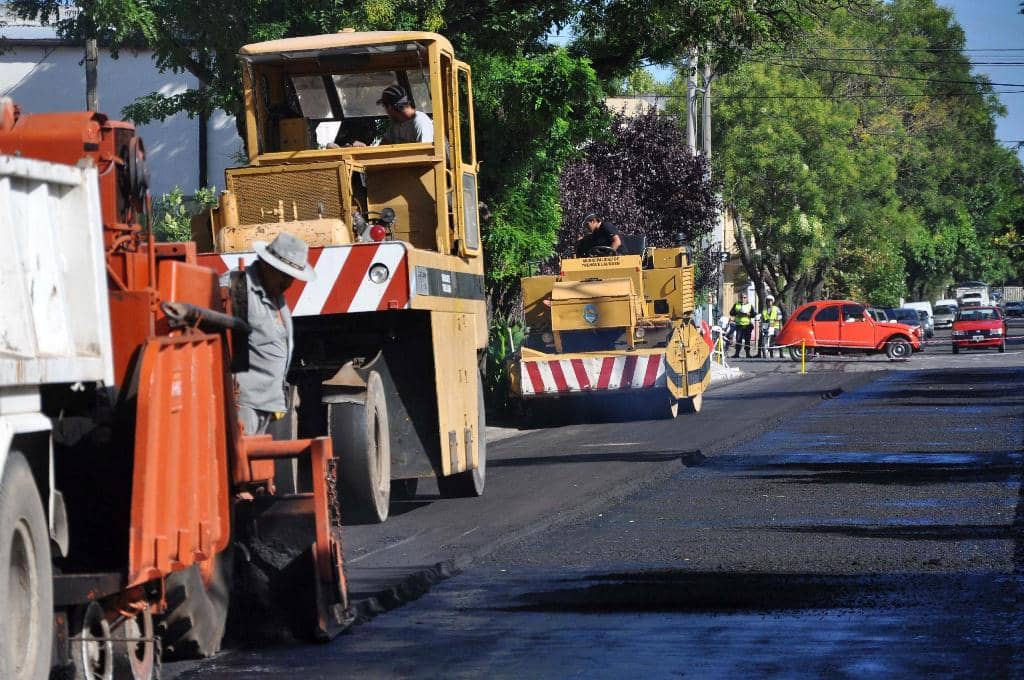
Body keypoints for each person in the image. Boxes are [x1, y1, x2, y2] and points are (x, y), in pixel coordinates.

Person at [222, 232, 316, 435]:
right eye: (284, 274)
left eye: (292, 276)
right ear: (266, 265)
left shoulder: (276, 295)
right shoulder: (239, 286)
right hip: (244, 403)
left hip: (265, 402)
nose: (288, 282)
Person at [730, 292, 756, 358]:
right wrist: (737, 313)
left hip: (747, 325)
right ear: (739, 298)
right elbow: (731, 313)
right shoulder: (736, 304)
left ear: (747, 298)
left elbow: (754, 314)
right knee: (738, 339)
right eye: (741, 297)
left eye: (744, 297)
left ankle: (748, 353)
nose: (743, 299)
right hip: (739, 325)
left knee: (747, 340)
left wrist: (749, 314)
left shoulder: (750, 305)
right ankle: (737, 353)